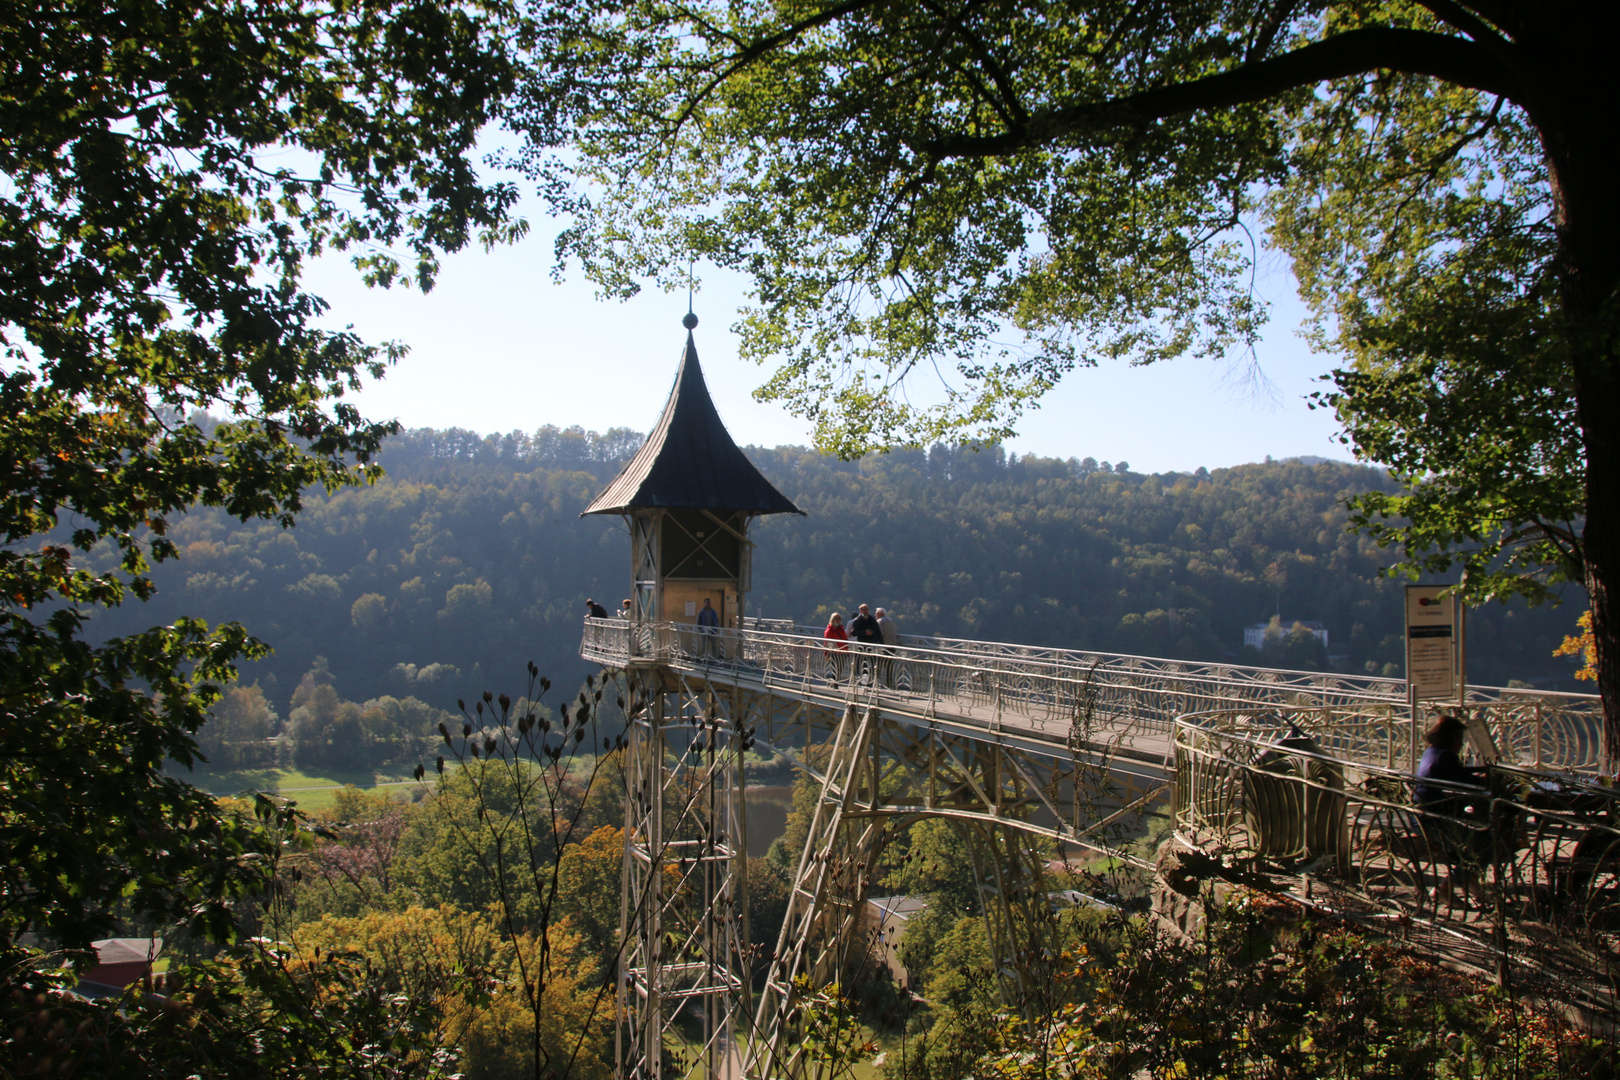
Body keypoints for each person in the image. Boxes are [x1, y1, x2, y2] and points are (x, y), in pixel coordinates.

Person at [1415, 714, 1491, 905]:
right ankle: (1446, 887)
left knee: (1479, 832)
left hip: (1427, 813)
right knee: (1485, 840)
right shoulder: (1446, 756)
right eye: (1459, 738)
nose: (1461, 744)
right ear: (1449, 737)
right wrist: (1490, 781)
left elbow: (1459, 776)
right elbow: (1467, 783)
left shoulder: (1432, 752)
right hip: (1437, 818)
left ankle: (1469, 880)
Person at [848, 603, 881, 683]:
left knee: (873, 663)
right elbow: (854, 632)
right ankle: (862, 680)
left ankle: (872, 680)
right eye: (864, 610)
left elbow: (878, 632)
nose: (866, 611)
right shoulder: (857, 621)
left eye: (867, 609)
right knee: (862, 663)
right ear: (860, 611)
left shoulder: (872, 619)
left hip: (872, 644)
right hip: (862, 645)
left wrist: (881, 644)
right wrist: (864, 632)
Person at [875, 607, 899, 687]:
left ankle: (876, 682)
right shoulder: (891, 620)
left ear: (879, 613)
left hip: (884, 646)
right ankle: (889, 683)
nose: (875, 614)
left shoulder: (880, 621)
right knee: (889, 666)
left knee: (879, 665)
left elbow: (880, 634)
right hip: (892, 646)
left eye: (876, 613)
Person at [822, 612, 849, 683]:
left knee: (840, 668)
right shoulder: (829, 630)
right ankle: (834, 682)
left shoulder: (841, 629)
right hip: (834, 652)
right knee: (835, 667)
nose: (838, 620)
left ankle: (835, 681)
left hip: (842, 651)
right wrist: (826, 653)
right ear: (832, 620)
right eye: (836, 619)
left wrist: (847, 650)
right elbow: (826, 642)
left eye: (839, 619)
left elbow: (845, 639)